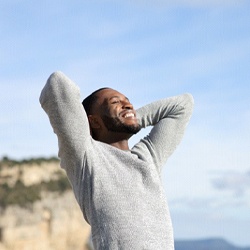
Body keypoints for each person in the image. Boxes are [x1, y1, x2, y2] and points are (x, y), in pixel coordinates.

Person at [40, 71, 194, 250]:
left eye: (127, 100)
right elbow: (57, 84)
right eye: (115, 102)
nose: (127, 104)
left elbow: (183, 105)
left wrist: (131, 119)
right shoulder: (85, 156)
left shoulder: (148, 156)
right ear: (94, 122)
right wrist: (93, 127)